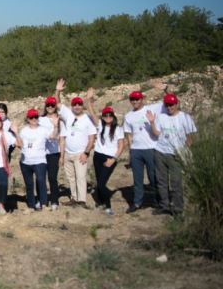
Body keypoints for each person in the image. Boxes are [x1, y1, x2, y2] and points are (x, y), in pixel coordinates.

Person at [147, 94, 197, 215]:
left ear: (177, 104)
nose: (170, 107)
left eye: (172, 104)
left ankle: (178, 208)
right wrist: (152, 122)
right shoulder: (161, 117)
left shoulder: (185, 117)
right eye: (167, 105)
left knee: (176, 182)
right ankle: (164, 205)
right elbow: (156, 133)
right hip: (160, 152)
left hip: (176, 154)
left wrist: (184, 152)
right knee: (161, 181)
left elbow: (190, 137)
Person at [122, 82, 168, 213]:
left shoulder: (153, 108)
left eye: (137, 99)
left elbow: (171, 104)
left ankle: (158, 201)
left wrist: (166, 90)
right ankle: (137, 203)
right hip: (136, 150)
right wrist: (130, 153)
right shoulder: (128, 116)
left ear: (142, 99)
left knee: (154, 177)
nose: (135, 101)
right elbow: (129, 135)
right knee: (137, 179)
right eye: (133, 99)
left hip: (151, 148)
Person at [56, 80, 97, 207]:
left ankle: (82, 200)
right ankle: (74, 198)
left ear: (82, 106)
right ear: (72, 106)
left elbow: (91, 138)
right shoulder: (68, 114)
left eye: (79, 104)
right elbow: (57, 104)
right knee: (71, 178)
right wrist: (57, 91)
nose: (77, 106)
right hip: (68, 153)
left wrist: (86, 152)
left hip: (80, 154)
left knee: (81, 177)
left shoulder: (87, 119)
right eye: (75, 104)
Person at [84, 90, 125, 215]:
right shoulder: (100, 126)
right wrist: (89, 99)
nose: (108, 117)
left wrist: (113, 159)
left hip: (110, 158)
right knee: (99, 181)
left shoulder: (118, 129)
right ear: (103, 116)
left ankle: (108, 206)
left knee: (101, 184)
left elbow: (121, 146)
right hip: (98, 157)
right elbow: (91, 112)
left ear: (113, 116)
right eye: (105, 115)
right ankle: (101, 201)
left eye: (110, 115)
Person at [16, 109, 57, 212]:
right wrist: (16, 132)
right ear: (28, 119)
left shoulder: (43, 130)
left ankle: (43, 204)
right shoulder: (24, 130)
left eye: (36, 117)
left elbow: (52, 137)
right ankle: (31, 205)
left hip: (39, 161)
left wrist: (56, 126)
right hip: (25, 162)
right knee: (29, 184)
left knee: (41, 181)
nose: (34, 119)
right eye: (31, 117)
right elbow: (19, 144)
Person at [39, 95, 64, 210]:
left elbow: (62, 139)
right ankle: (42, 199)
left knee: (52, 178)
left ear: (55, 106)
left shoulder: (60, 119)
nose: (50, 107)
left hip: (54, 153)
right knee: (40, 178)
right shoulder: (40, 119)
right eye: (48, 105)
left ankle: (54, 200)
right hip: (41, 153)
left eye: (52, 105)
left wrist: (62, 156)